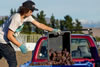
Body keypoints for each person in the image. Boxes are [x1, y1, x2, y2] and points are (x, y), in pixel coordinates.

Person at [0, 0, 60, 67]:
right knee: (12, 59)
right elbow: (9, 36)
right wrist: (20, 46)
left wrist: (52, 30)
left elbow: (39, 25)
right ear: (26, 10)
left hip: (3, 39)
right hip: (1, 40)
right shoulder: (16, 18)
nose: (32, 13)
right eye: (31, 11)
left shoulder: (27, 17)